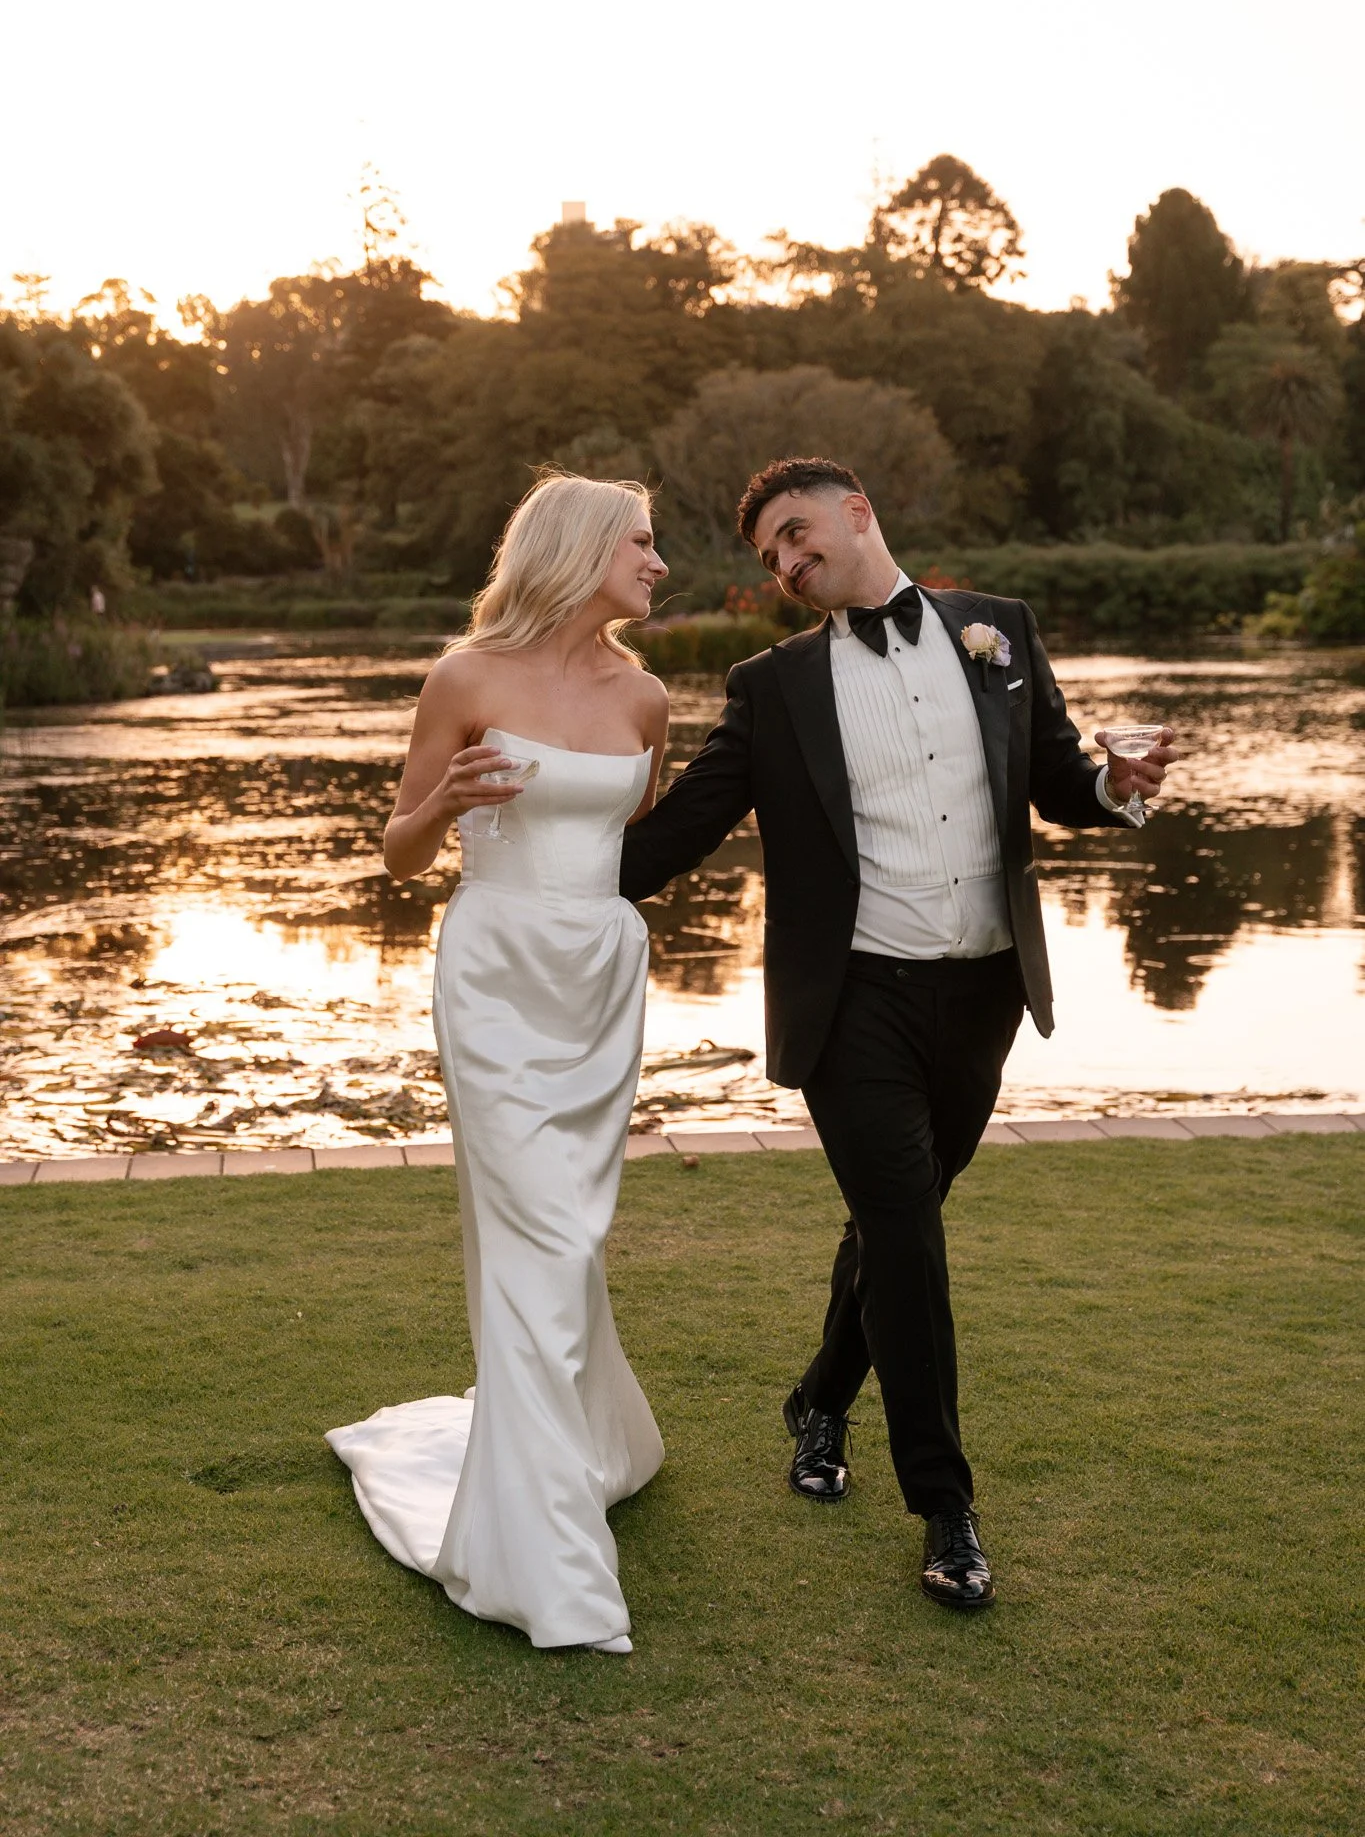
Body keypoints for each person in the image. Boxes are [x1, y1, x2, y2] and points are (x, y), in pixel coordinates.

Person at [620, 458, 1177, 1613]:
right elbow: (671, 837)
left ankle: (821, 1395)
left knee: (897, 1219)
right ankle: (947, 1510)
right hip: (852, 1003)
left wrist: (1119, 785)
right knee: (909, 1233)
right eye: (769, 553)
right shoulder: (772, 687)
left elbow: (1059, 782)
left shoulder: (999, 631)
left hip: (982, 994)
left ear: (858, 511)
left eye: (794, 532)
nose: (783, 561)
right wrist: (531, 848)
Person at [327, 473, 670, 1654]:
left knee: (571, 1226)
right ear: (578, 548)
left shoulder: (648, 695)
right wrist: (447, 806)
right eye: (642, 542)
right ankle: (546, 1558)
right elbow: (398, 855)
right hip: (496, 969)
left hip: (600, 978)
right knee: (543, 1229)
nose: (658, 563)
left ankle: (584, 1440)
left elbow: (622, 838)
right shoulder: (464, 678)